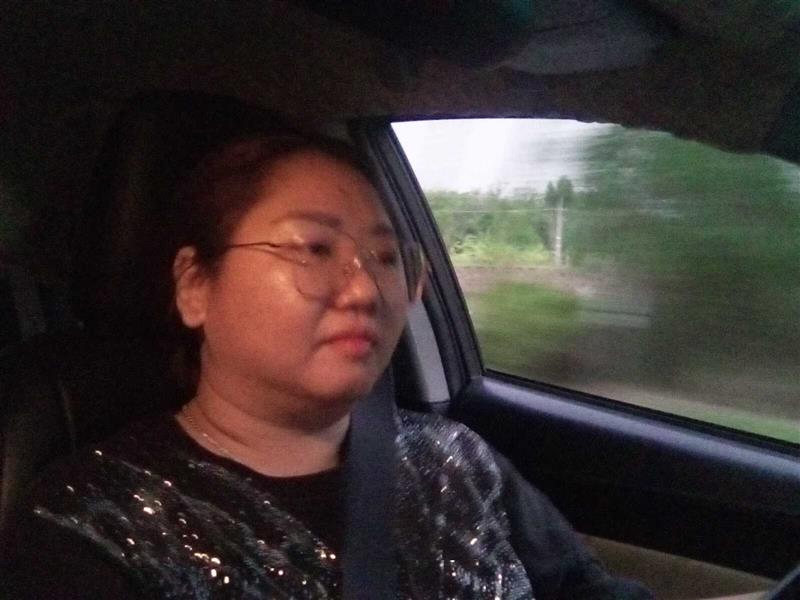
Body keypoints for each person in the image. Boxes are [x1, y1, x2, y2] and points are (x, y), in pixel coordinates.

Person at [5, 128, 652, 599]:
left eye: (388, 258)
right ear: (195, 286)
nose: (366, 289)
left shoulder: (456, 460)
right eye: (314, 249)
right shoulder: (89, 527)